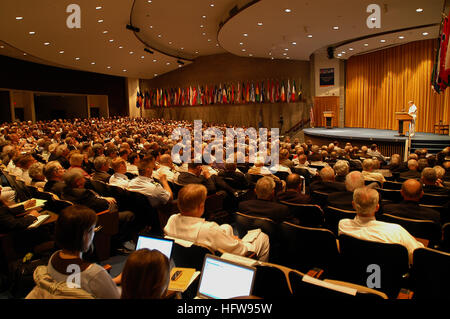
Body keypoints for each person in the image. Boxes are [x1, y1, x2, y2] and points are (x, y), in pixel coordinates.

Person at [26, 205, 120, 299]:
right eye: (92, 230)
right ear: (84, 235)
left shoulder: (53, 259)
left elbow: (72, 287)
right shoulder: (95, 273)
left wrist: (110, 281)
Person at [164, 184, 270, 261]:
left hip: (186, 259)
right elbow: (241, 251)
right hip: (217, 260)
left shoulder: (172, 219)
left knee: (226, 227)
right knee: (262, 236)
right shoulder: (209, 229)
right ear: (201, 207)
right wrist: (238, 242)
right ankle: (258, 272)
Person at [338, 187, 424, 261]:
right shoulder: (396, 231)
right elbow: (417, 253)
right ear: (377, 207)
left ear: (353, 205)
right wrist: (416, 241)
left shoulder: (343, 225)